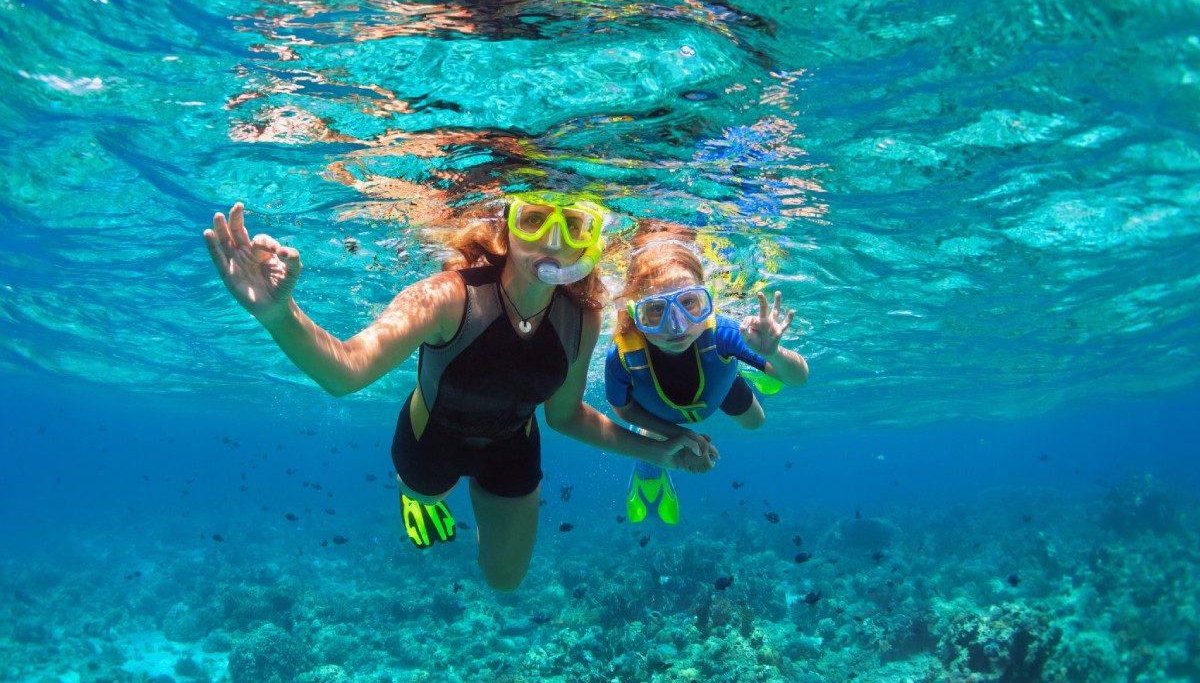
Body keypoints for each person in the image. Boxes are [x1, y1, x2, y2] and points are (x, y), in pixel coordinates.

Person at [203, 195, 717, 591]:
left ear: (588, 241)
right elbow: (347, 372)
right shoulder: (448, 295)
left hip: (513, 445)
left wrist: (660, 450)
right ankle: (417, 496)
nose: (553, 241)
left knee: (505, 581)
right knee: (426, 494)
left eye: (573, 226)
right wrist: (278, 314)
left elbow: (565, 417)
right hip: (432, 439)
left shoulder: (582, 317)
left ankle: (464, 515)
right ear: (506, 228)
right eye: (534, 220)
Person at [605, 231, 809, 524]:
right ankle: (648, 464)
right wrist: (678, 435)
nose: (676, 327)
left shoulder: (723, 333)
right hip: (657, 411)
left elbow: (799, 378)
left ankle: (757, 368)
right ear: (634, 313)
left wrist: (775, 354)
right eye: (656, 310)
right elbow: (622, 409)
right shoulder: (622, 356)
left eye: (689, 303)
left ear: (707, 300)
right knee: (655, 436)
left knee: (756, 422)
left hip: (719, 386)